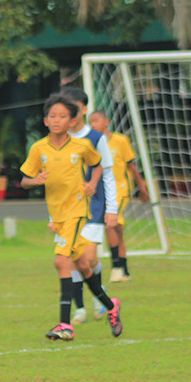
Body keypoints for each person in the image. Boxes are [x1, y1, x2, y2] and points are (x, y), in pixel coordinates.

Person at [20, 93, 124, 341]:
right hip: (57, 217)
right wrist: (34, 181)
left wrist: (92, 183)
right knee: (83, 265)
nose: (57, 120)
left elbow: (98, 164)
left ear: (72, 121)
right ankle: (111, 306)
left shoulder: (82, 146)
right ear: (45, 121)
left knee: (60, 261)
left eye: (63, 116)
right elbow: (24, 179)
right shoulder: (39, 148)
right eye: (52, 116)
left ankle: (65, 324)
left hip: (78, 213)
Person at [62, 88, 119, 324]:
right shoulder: (59, 140)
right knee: (73, 258)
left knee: (89, 256)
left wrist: (112, 208)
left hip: (93, 207)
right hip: (66, 209)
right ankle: (80, 309)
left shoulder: (96, 138)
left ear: (83, 109)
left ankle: (99, 296)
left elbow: (107, 174)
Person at [89, 110, 150, 282]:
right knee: (117, 231)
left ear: (106, 121)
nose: (93, 125)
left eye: (96, 121)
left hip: (121, 189)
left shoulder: (120, 141)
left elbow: (131, 165)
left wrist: (142, 188)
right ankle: (124, 269)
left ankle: (116, 267)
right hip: (102, 190)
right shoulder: (91, 143)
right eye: (90, 122)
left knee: (110, 224)